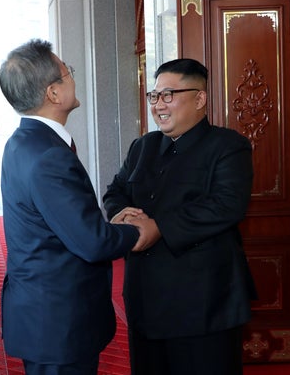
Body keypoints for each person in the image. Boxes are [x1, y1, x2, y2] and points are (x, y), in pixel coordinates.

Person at [0, 39, 159, 375]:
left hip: (45, 310)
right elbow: (92, 242)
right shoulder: (47, 154)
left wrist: (112, 221)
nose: (74, 77)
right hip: (58, 319)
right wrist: (140, 231)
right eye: (68, 72)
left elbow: (63, 220)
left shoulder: (25, 141)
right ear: (53, 93)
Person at [103, 58, 257, 375]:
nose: (159, 105)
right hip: (145, 299)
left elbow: (227, 204)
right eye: (154, 96)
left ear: (199, 99)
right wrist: (121, 213)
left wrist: (159, 228)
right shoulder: (142, 146)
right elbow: (115, 191)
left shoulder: (228, 146)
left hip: (202, 303)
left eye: (169, 95)